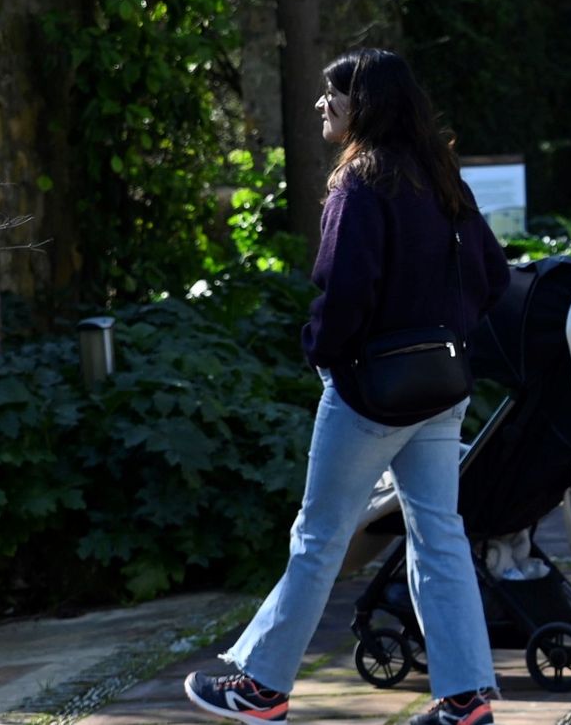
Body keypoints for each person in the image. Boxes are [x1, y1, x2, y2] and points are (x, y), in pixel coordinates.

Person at [185, 48, 507, 725]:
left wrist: (324, 354)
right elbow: (493, 274)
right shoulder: (442, 177)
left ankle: (261, 688)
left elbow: (342, 292)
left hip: (371, 394)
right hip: (443, 387)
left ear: (367, 104)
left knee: (319, 537)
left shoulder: (360, 182)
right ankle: (466, 699)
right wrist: (445, 332)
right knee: (440, 536)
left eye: (334, 94)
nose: (322, 104)